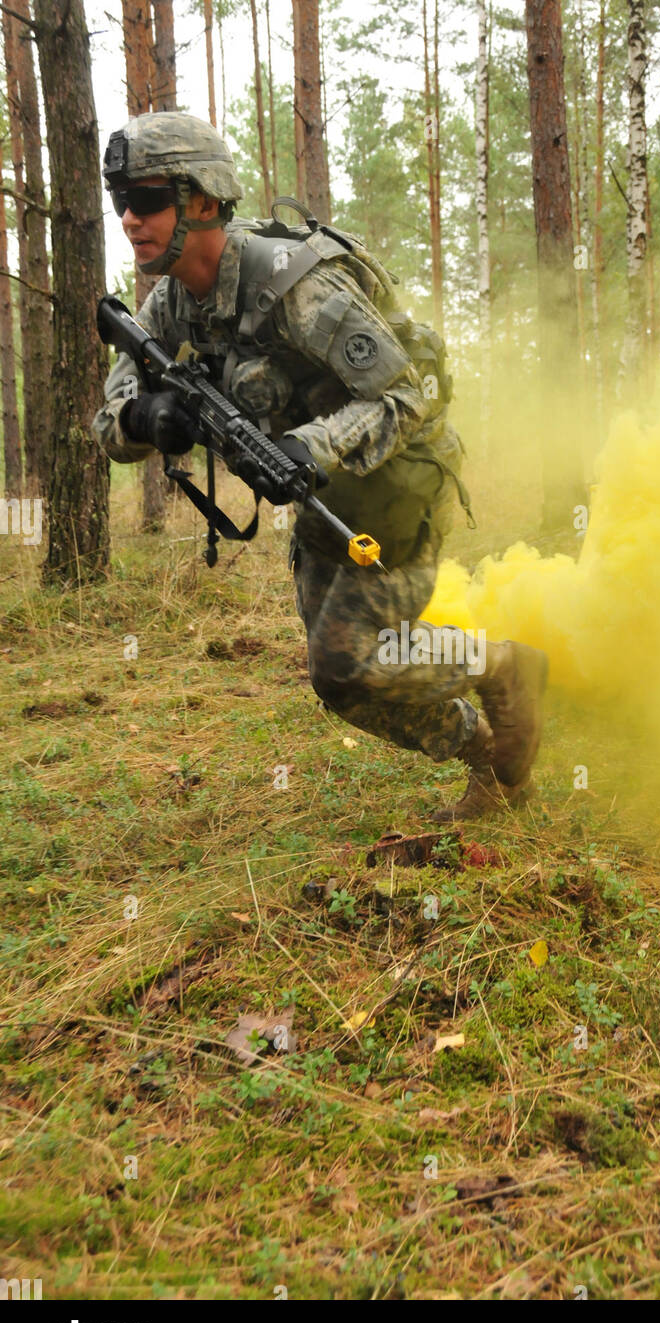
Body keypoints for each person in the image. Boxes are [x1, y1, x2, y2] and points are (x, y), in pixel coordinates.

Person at [91, 112, 547, 820]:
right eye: (120, 199)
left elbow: (405, 397)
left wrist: (311, 447)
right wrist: (144, 419)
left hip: (397, 483)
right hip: (318, 495)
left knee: (346, 660)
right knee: (341, 683)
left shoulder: (295, 287)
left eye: (147, 199)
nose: (128, 218)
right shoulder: (172, 303)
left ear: (203, 199)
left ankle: (502, 666)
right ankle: (491, 764)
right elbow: (108, 421)